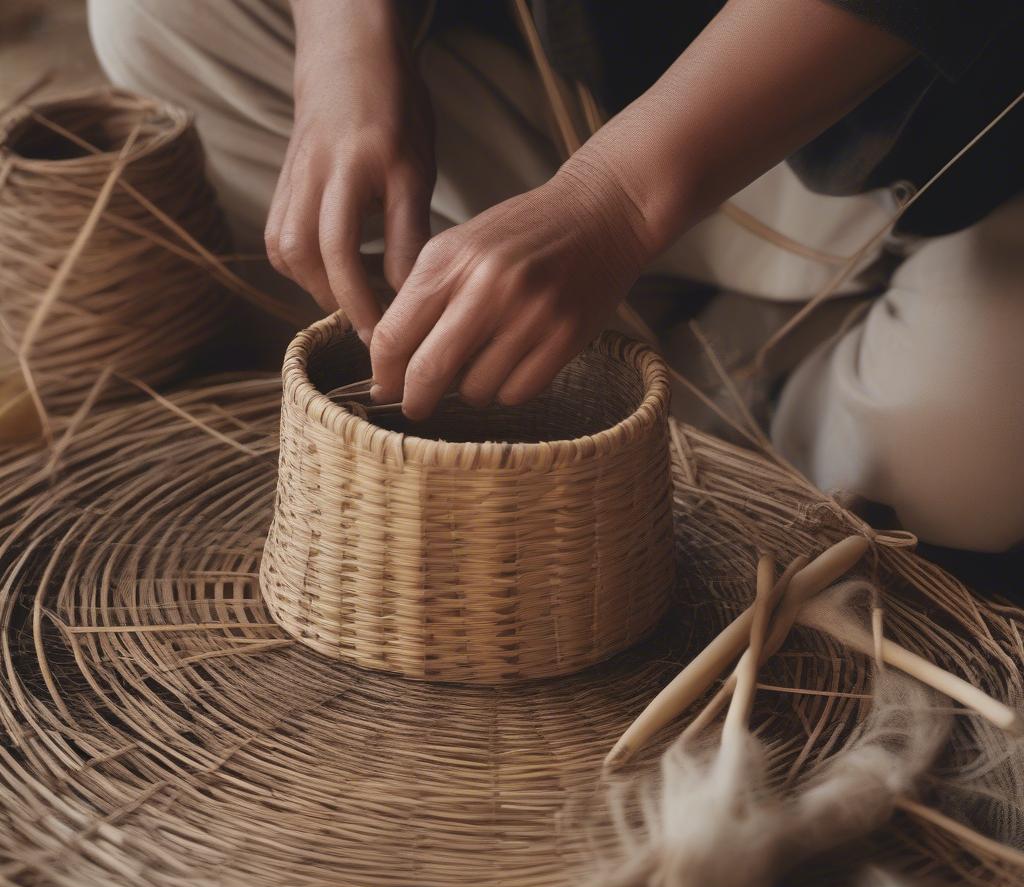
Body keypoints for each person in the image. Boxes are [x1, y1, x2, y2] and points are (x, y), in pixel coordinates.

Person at [87, 0, 1024, 553]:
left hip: (915, 153)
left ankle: (720, 370)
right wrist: (344, 52)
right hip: (550, 86)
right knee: (156, 14)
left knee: (979, 463)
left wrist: (612, 201)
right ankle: (566, 326)